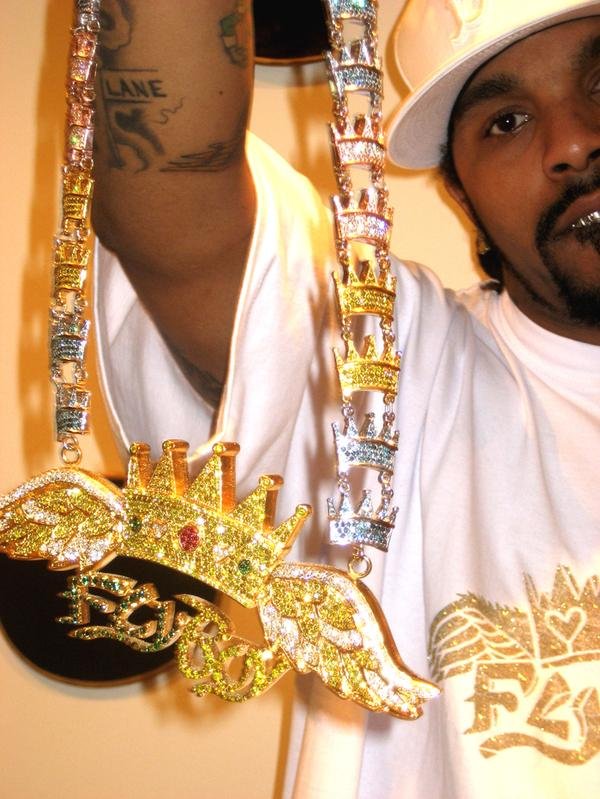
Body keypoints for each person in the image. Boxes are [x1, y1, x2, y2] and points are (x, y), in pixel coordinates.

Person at [92, 0, 600, 796]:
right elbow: (174, 200)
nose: (571, 142)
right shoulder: (385, 363)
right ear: (462, 195)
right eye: (506, 121)